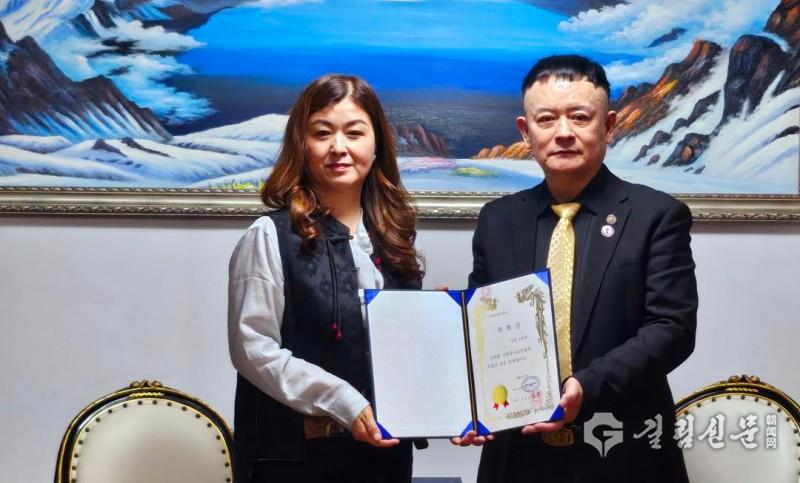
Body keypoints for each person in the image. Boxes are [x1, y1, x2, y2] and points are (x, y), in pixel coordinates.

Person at [466, 55, 698, 482]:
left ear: (608, 126)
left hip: (624, 449)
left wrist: (586, 386)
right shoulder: (498, 221)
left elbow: (672, 329)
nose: (563, 133)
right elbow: (482, 328)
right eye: (546, 119)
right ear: (525, 131)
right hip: (517, 456)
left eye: (579, 117)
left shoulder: (656, 215)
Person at [228, 74, 425, 483]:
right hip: (296, 462)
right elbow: (253, 348)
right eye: (322, 133)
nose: (339, 147)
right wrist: (343, 401)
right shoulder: (269, 235)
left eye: (354, 133)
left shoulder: (393, 239)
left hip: (384, 460)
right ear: (302, 144)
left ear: (376, 144)